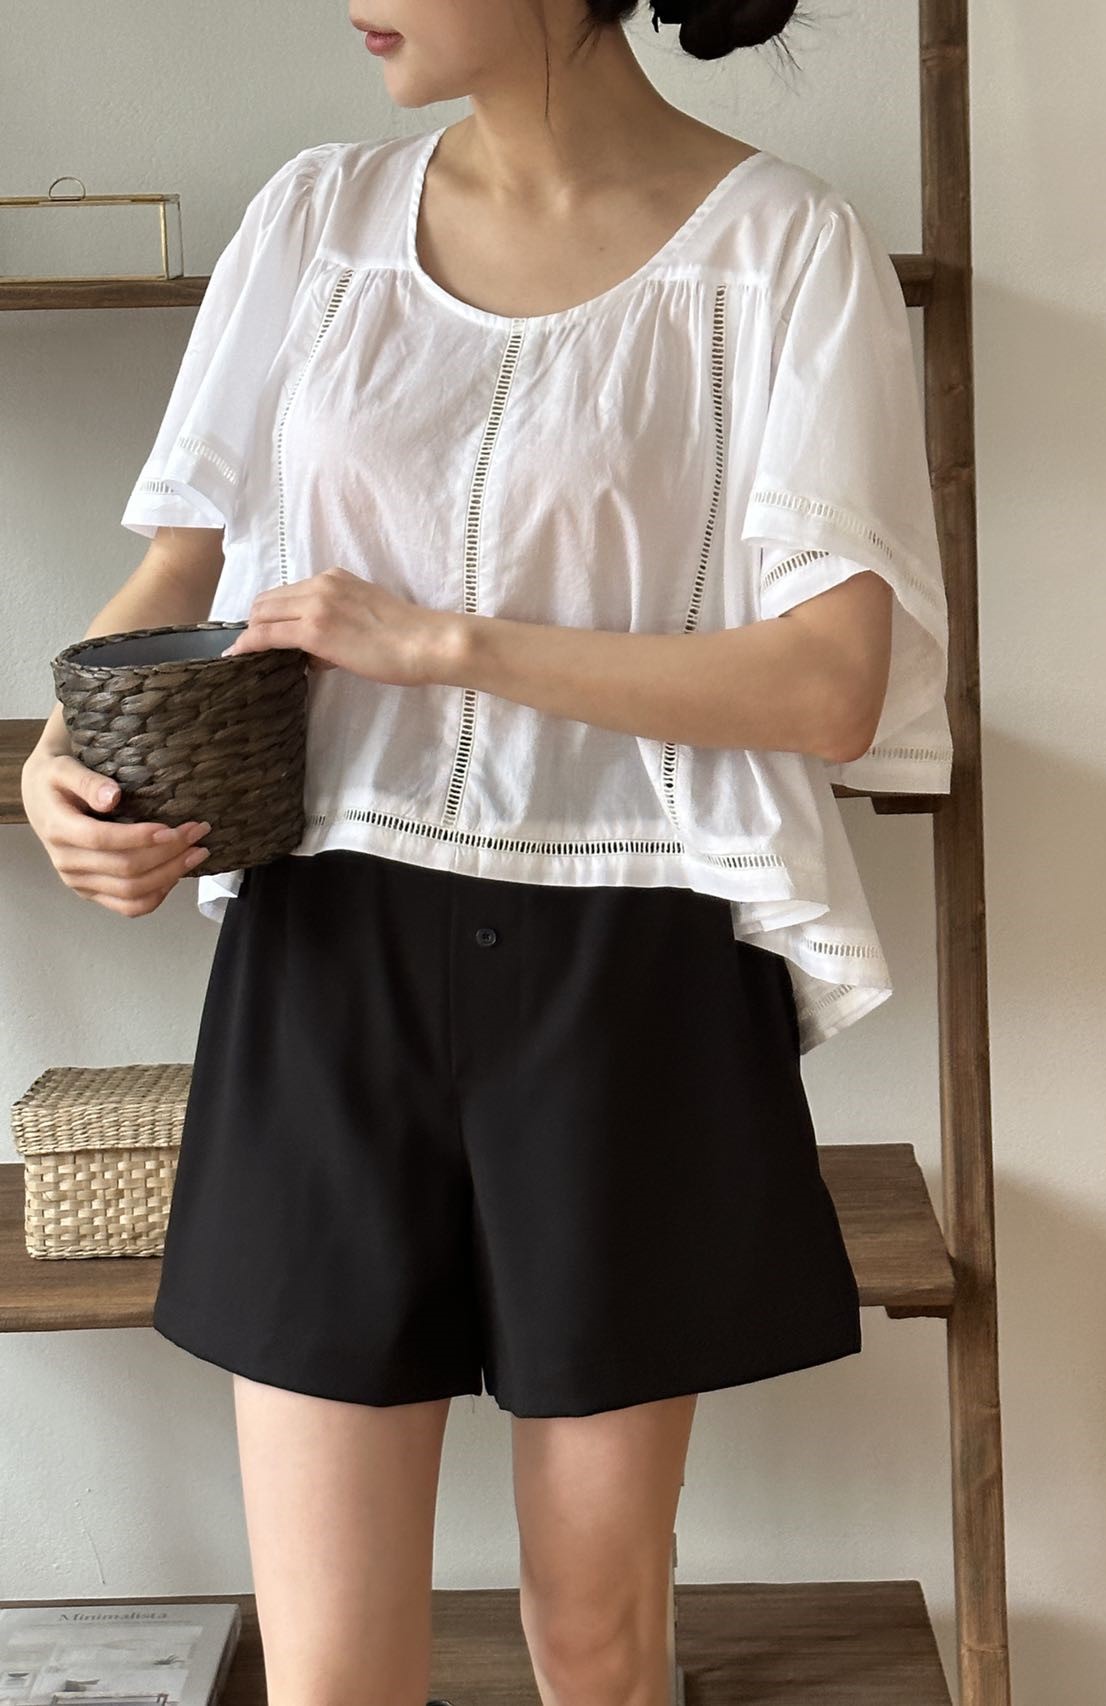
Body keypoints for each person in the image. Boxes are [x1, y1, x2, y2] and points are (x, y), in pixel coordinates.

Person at [22, 2, 952, 1702]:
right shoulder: (314, 220)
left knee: (595, 1640)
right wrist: (63, 756)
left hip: (629, 962)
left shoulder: (781, 251)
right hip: (326, 947)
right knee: (329, 1667)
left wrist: (450, 645)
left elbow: (831, 684)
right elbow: (177, 571)